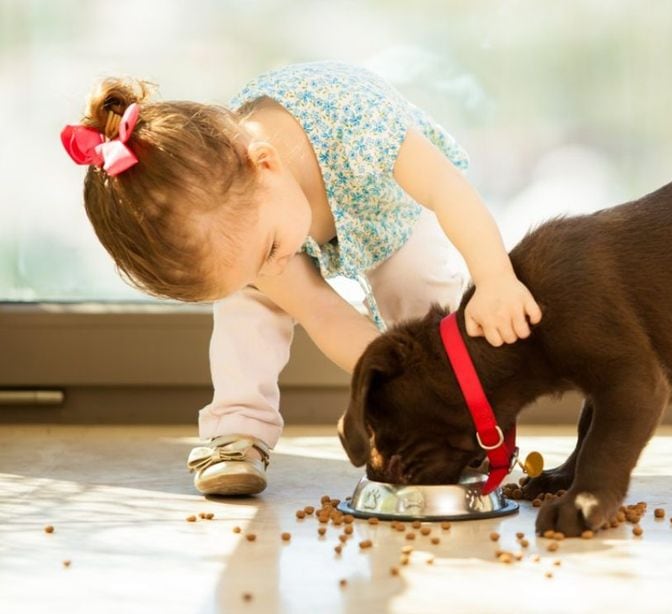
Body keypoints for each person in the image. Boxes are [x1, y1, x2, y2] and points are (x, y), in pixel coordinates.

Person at [61, 61, 541, 496]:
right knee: (247, 308)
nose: (272, 271)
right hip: (273, 218)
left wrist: (495, 277)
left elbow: (446, 189)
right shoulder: (248, 225)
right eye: (252, 268)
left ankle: (450, 422)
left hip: (387, 207)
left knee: (418, 284)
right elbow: (320, 311)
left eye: (268, 252)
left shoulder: (360, 127)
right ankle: (237, 430)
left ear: (266, 164)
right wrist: (383, 384)